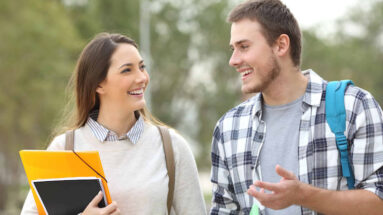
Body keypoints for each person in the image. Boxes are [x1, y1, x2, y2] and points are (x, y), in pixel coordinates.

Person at [210, 0, 383, 214]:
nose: (233, 60)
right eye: (233, 49)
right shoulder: (228, 128)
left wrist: (304, 196)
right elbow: (223, 210)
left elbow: (379, 201)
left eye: (244, 47)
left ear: (281, 45)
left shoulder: (354, 107)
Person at [21, 32, 206, 215]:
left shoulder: (171, 147)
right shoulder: (64, 148)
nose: (142, 78)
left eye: (142, 67)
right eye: (127, 70)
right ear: (98, 85)